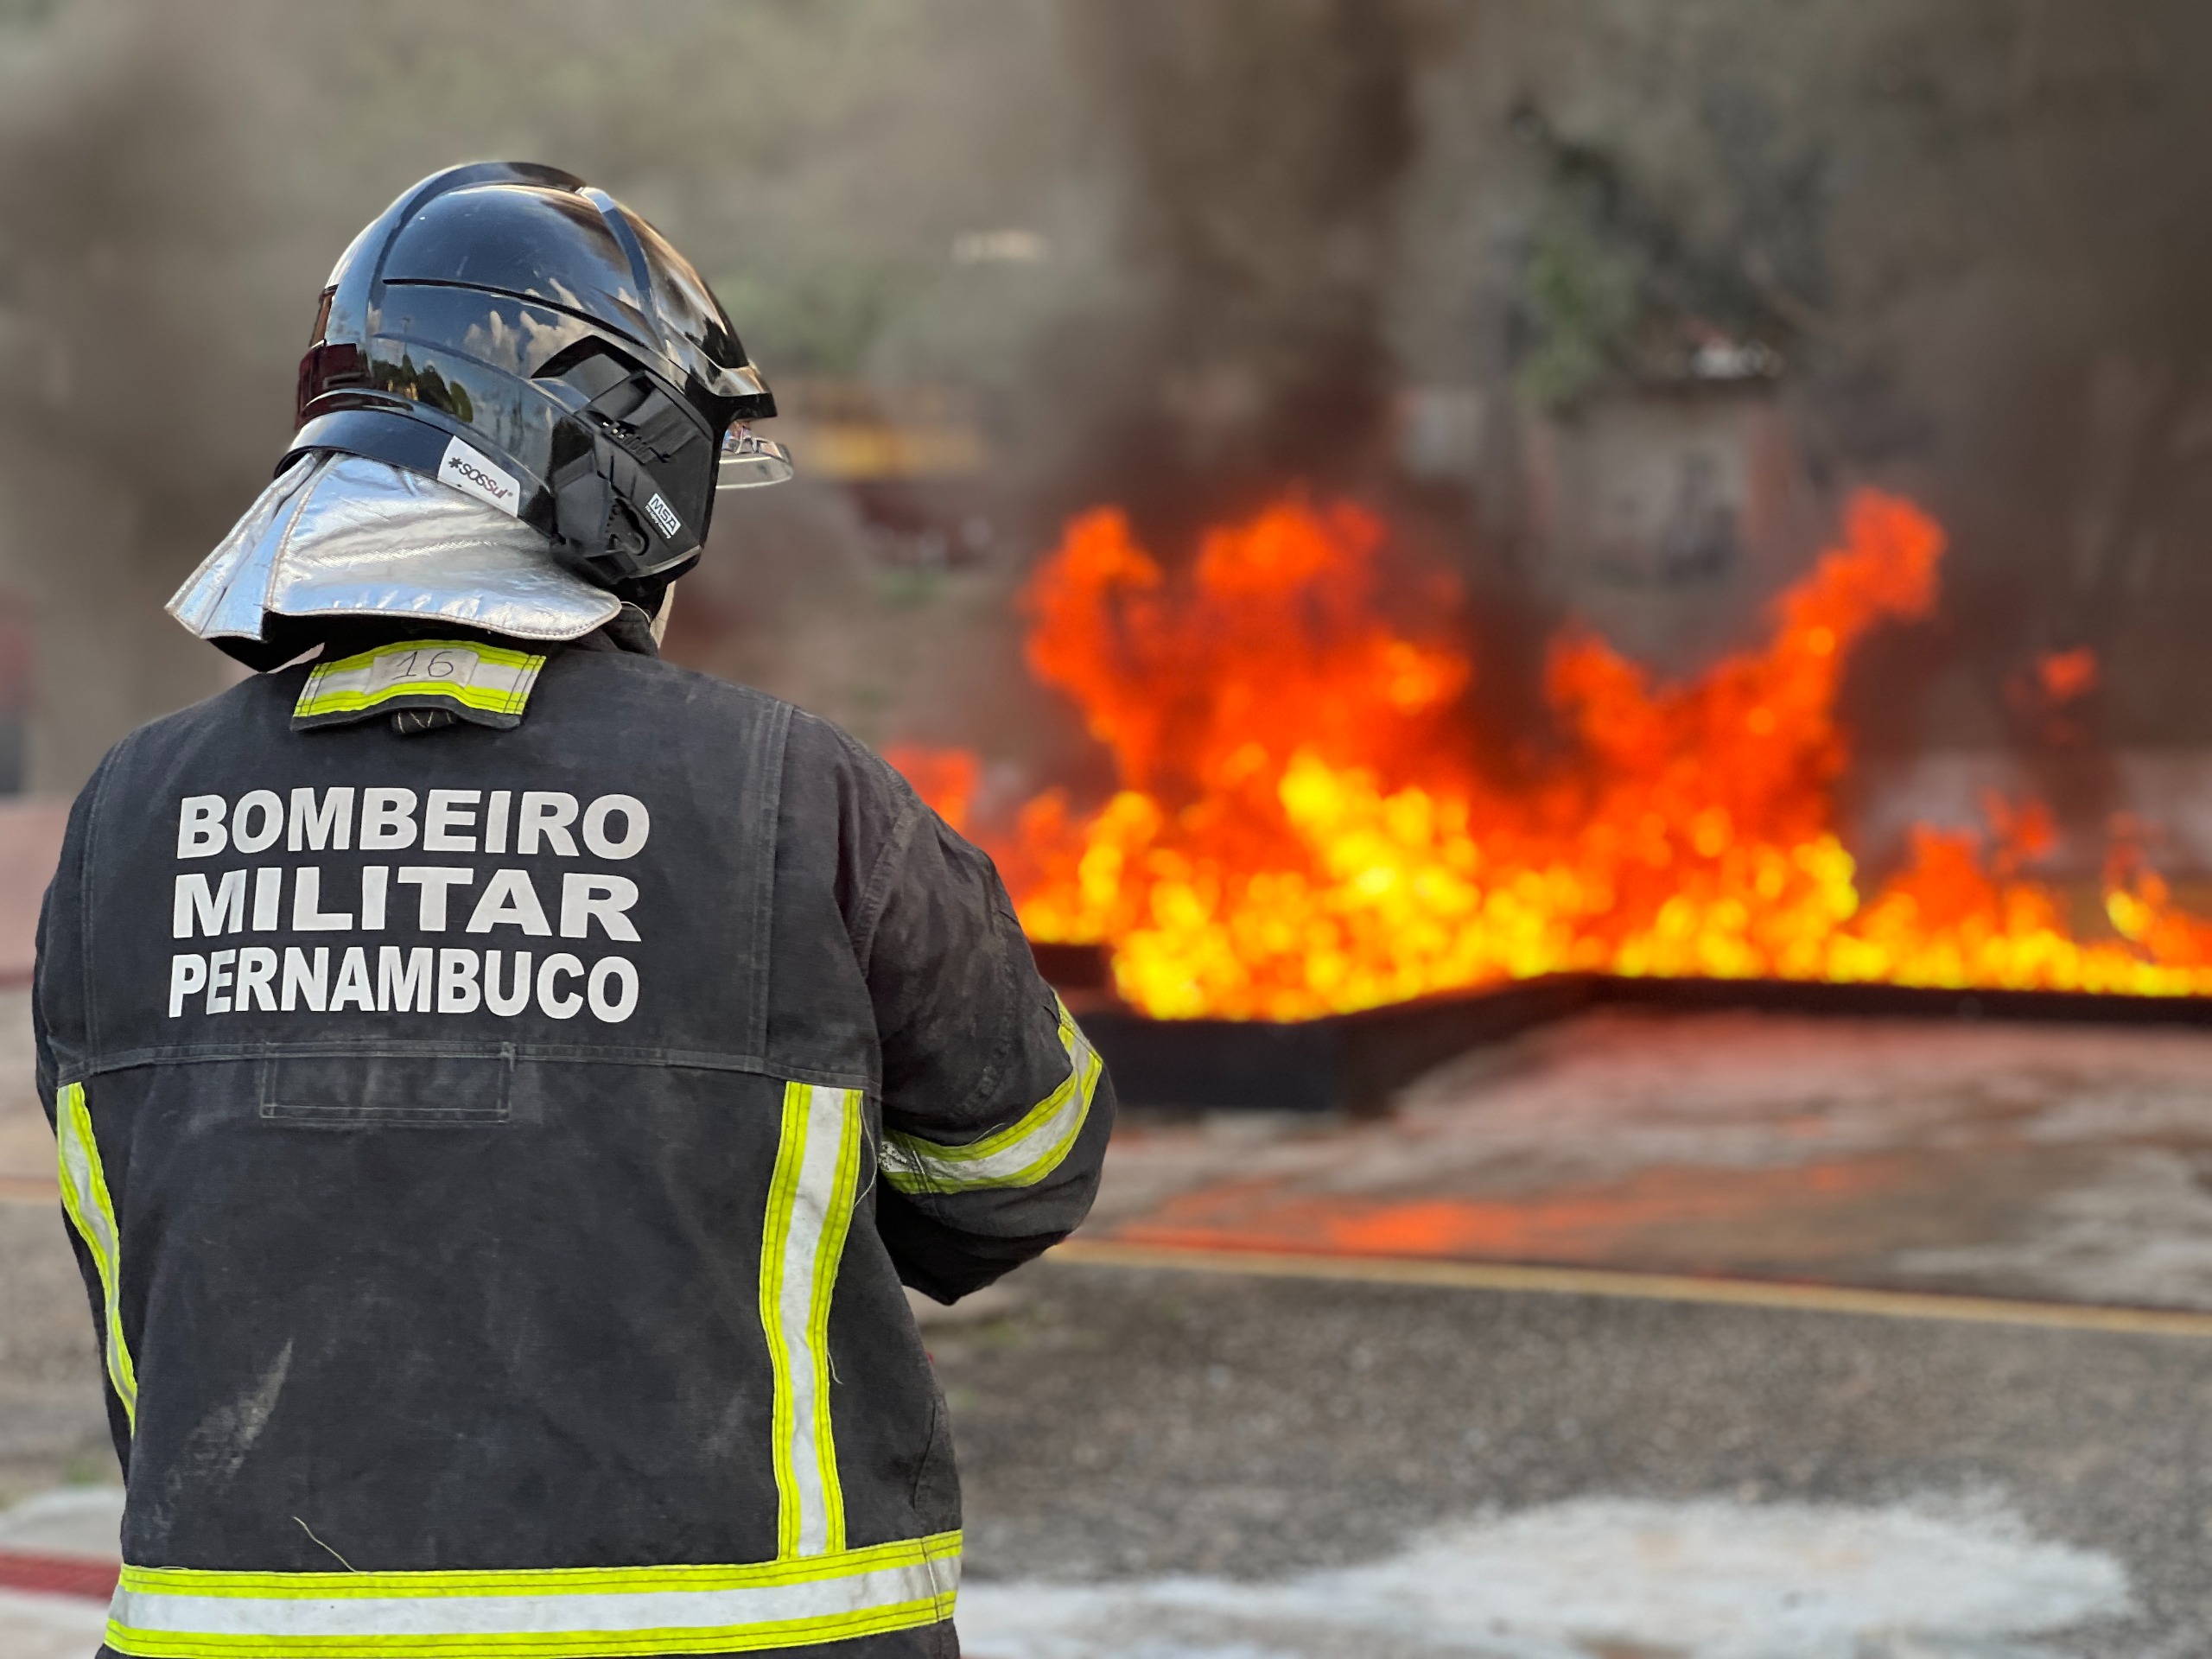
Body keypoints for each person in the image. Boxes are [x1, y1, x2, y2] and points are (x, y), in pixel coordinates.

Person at [36, 161, 1111, 1659]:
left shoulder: (126, 822)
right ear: (627, 476)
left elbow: (142, 1213)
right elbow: (1024, 1160)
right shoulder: (796, 794)